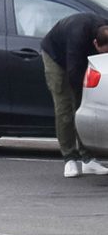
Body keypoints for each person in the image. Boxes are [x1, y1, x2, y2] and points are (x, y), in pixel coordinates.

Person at [40, 13, 108, 177]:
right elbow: (73, 73)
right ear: (94, 43)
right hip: (57, 58)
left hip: (80, 59)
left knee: (82, 107)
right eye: (102, 52)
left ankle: (88, 160)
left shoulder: (104, 28)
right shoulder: (77, 37)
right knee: (65, 108)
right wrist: (85, 97)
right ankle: (69, 159)